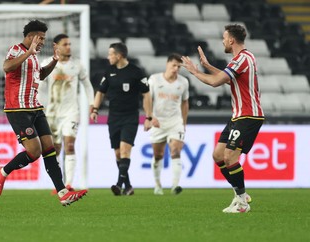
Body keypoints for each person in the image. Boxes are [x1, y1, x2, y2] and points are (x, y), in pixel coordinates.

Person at [0, 20, 87, 206]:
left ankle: (63, 193)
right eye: (40, 37)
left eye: (44, 38)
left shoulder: (34, 57)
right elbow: (7, 67)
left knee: (49, 149)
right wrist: (28, 53)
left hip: (36, 108)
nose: (43, 41)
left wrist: (54, 61)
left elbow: (41, 75)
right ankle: (2, 171)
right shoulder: (17, 50)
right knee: (34, 152)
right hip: (18, 109)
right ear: (30, 37)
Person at [181, 24, 264, 213]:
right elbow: (226, 77)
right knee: (218, 155)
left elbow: (215, 82)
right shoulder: (241, 59)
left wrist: (194, 71)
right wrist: (207, 66)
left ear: (232, 40)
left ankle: (242, 202)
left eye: (224, 38)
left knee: (229, 157)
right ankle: (240, 194)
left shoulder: (242, 58)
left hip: (248, 115)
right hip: (238, 115)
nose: (223, 41)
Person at [90, 42, 153, 196]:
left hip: (130, 117)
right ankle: (129, 186)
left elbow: (146, 95)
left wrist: (149, 117)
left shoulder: (136, 72)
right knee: (118, 154)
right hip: (114, 118)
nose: (108, 57)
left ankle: (119, 184)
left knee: (125, 150)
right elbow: (100, 92)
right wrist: (95, 109)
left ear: (118, 56)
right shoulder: (109, 71)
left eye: (110, 54)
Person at [38, 33, 94, 193]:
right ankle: (59, 184)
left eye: (70, 44)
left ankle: (69, 183)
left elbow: (87, 85)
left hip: (71, 112)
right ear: (56, 46)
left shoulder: (77, 64)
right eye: (65, 44)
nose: (69, 47)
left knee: (69, 145)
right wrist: (39, 105)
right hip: (52, 113)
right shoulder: (47, 63)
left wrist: (92, 104)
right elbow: (40, 88)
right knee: (55, 148)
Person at [148, 53, 189, 196]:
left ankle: (175, 185)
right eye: (174, 65)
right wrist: (149, 117)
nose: (176, 69)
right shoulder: (154, 79)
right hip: (158, 122)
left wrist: (184, 122)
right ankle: (158, 185)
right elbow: (148, 100)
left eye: (179, 66)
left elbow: (185, 102)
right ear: (167, 64)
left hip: (175, 122)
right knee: (158, 155)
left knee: (175, 151)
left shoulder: (183, 82)